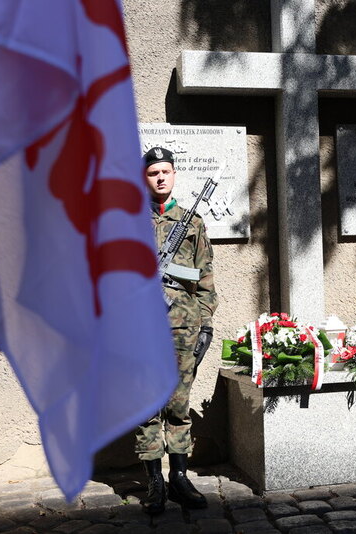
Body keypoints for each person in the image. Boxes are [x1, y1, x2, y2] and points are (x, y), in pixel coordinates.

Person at [136, 146, 218, 514]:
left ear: (174, 175)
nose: (160, 177)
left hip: (183, 328)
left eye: (166, 171)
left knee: (179, 404)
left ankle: (180, 477)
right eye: (154, 173)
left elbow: (204, 280)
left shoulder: (193, 223)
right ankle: (155, 482)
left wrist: (203, 323)